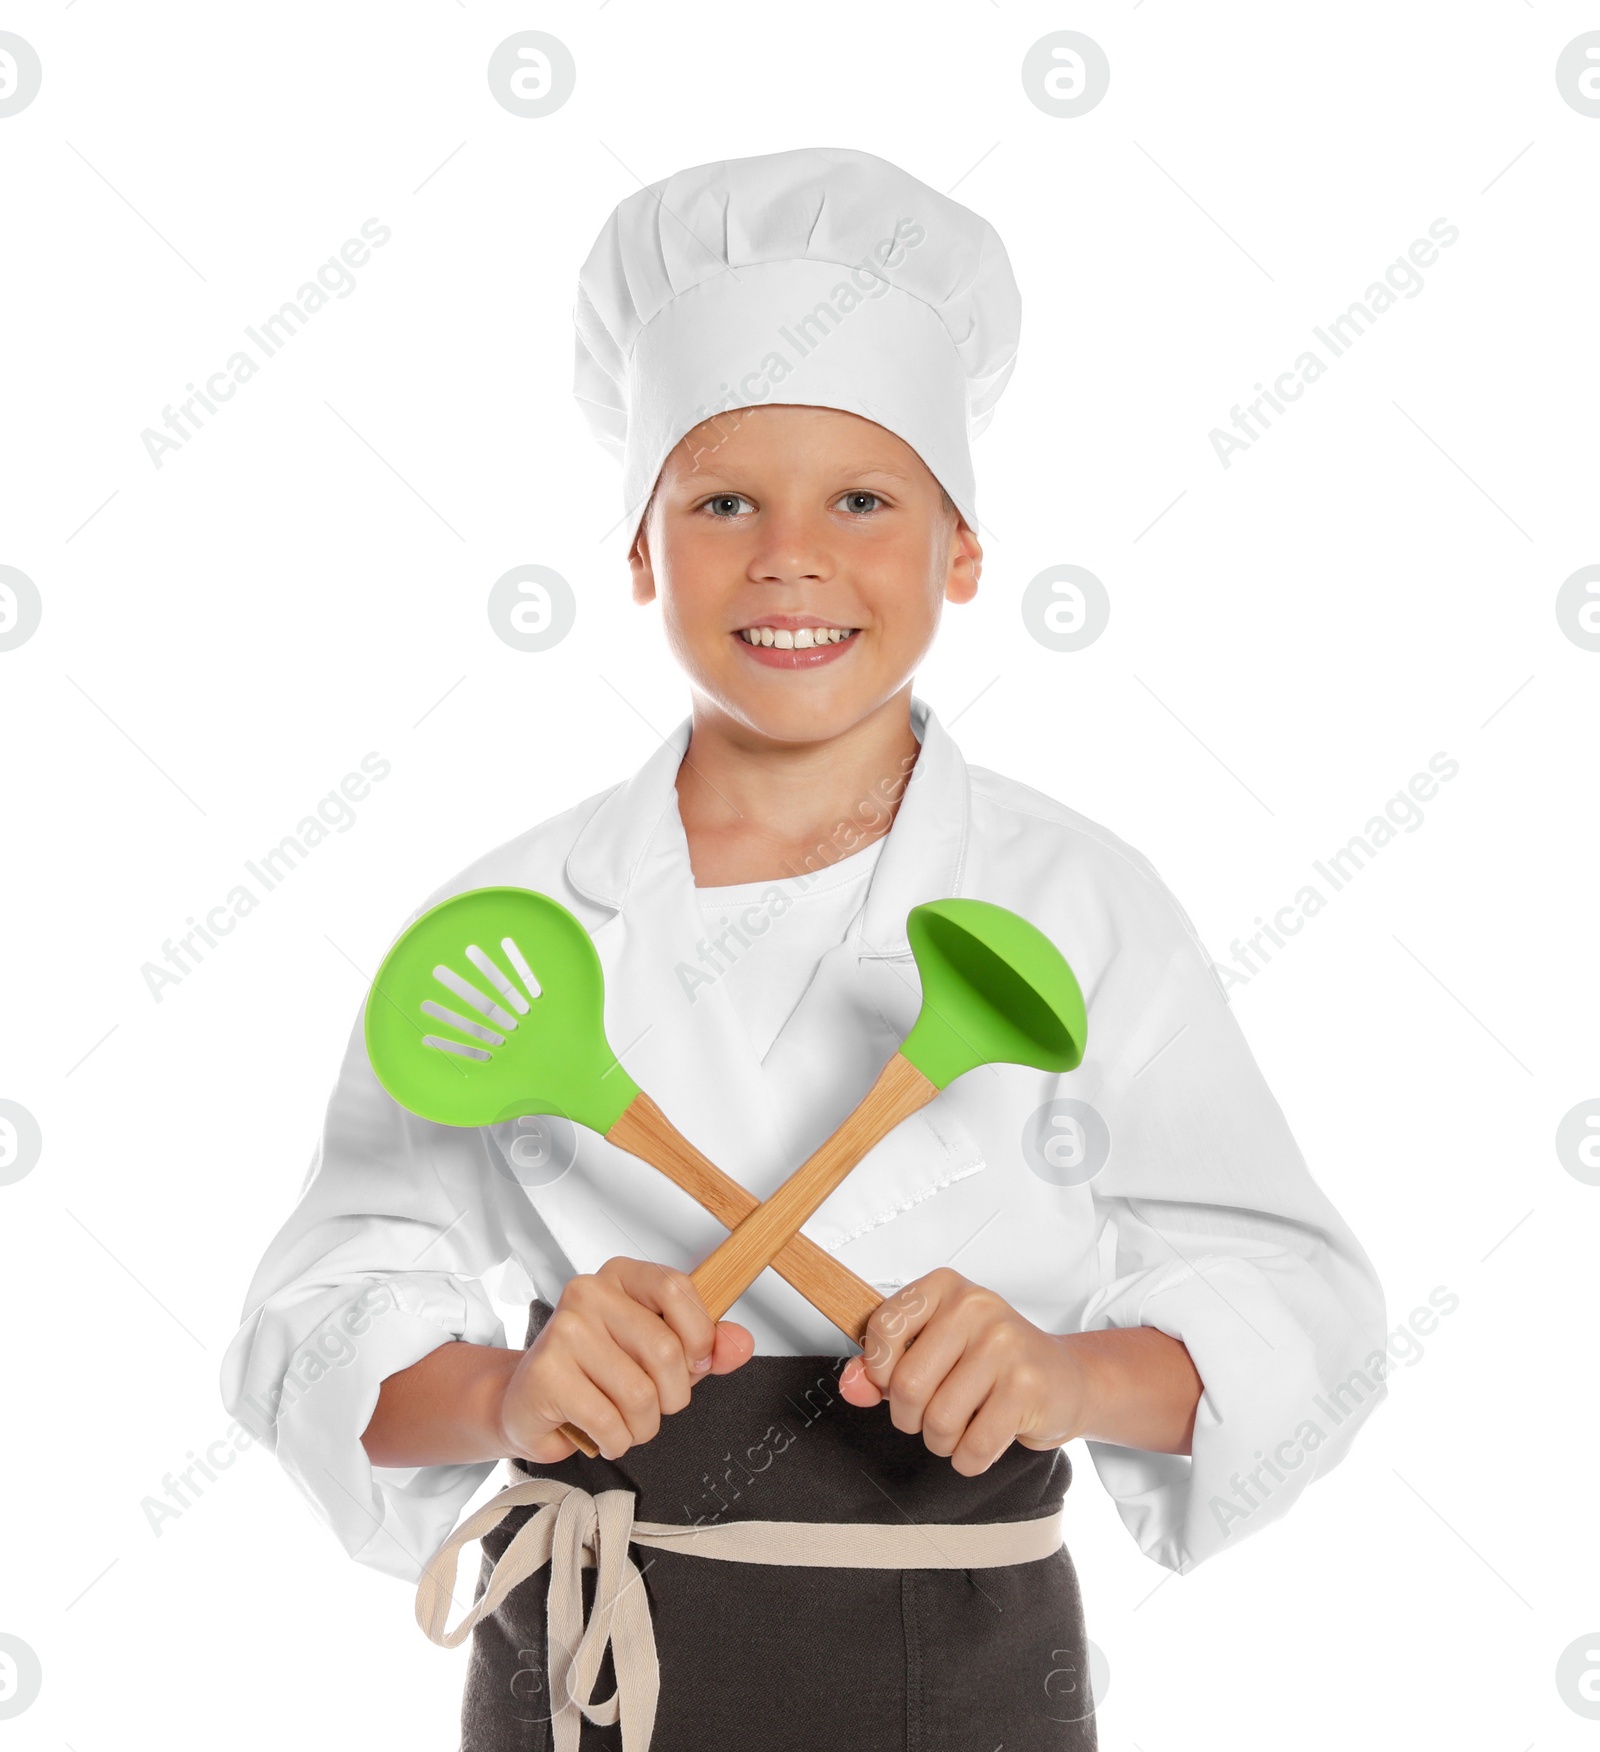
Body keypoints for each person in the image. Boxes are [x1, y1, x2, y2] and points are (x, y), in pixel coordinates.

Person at [220, 146, 1388, 1751]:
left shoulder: (1081, 904)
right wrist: (511, 1392)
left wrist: (1057, 1375)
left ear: (960, 550)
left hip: (963, 1672)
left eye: (862, 497)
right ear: (640, 553)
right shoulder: (517, 925)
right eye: (720, 503)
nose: (791, 555)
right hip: (594, 1666)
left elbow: (1303, 1319)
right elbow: (314, 1324)